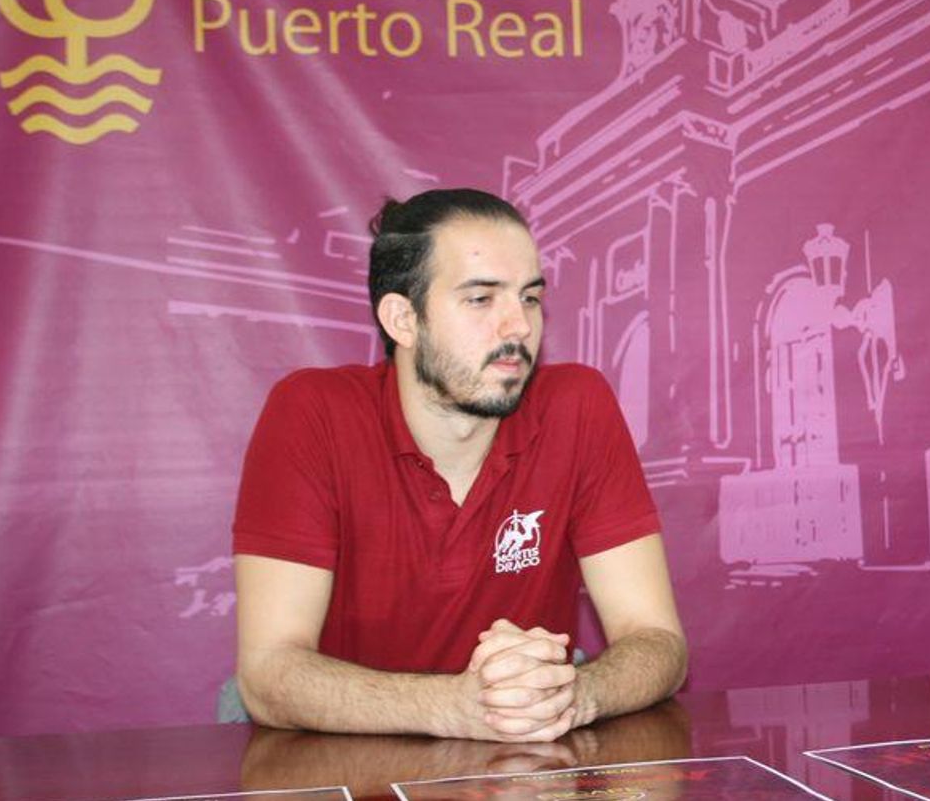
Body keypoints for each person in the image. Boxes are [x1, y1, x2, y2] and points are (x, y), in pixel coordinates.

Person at [232, 188, 686, 742]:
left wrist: (577, 694)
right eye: (481, 299)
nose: (518, 326)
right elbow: (269, 672)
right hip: (348, 761)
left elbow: (658, 640)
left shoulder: (578, 404)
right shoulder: (312, 413)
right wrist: (453, 707)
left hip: (525, 770)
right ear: (403, 318)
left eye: (530, 298)